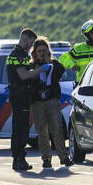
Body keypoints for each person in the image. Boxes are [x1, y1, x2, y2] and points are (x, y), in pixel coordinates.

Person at [28, 38, 73, 169]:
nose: (42, 53)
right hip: (37, 102)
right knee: (42, 131)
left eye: (45, 50)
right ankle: (46, 158)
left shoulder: (54, 64)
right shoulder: (31, 66)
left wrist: (49, 62)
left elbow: (61, 71)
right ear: (34, 53)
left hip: (52, 100)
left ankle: (64, 157)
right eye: (39, 51)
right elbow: (28, 80)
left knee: (57, 129)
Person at [5, 28, 37, 171]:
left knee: (20, 127)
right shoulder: (17, 54)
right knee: (21, 128)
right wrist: (40, 71)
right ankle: (19, 158)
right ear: (24, 39)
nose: (31, 46)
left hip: (20, 95)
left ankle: (18, 159)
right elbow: (23, 75)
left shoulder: (21, 54)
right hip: (19, 95)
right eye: (30, 43)